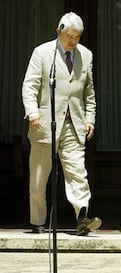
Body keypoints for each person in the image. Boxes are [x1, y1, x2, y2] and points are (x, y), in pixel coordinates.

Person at [22, 12, 102, 236]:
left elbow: (89, 92)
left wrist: (90, 119)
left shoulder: (86, 55)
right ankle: (37, 221)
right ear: (59, 31)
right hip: (44, 124)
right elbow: (29, 86)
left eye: (77, 37)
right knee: (39, 177)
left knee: (78, 172)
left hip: (74, 124)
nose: (73, 41)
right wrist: (33, 112)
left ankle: (82, 217)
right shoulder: (42, 52)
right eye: (69, 36)